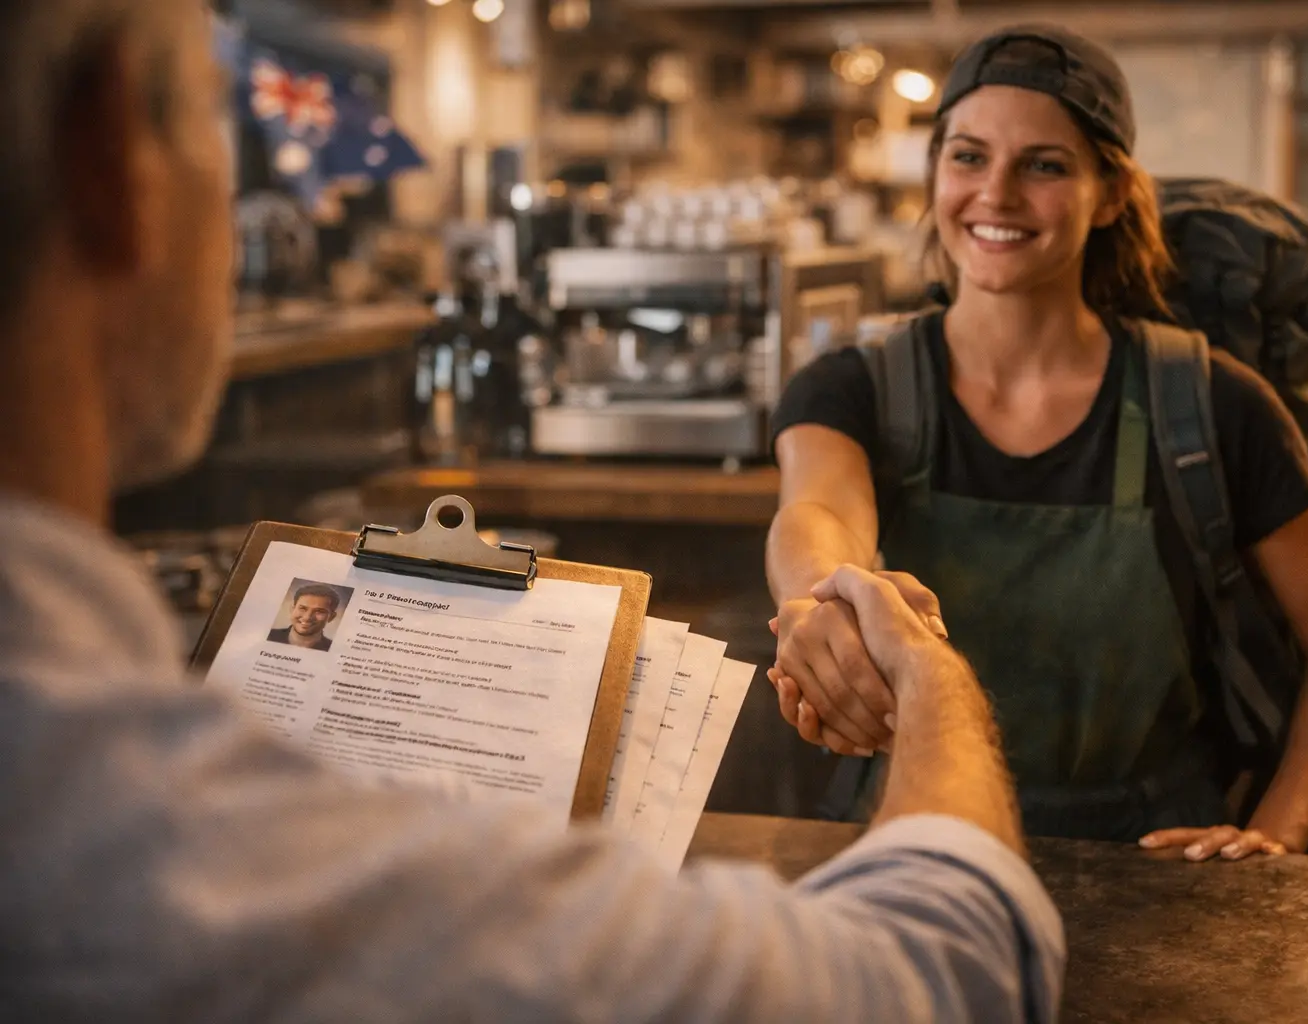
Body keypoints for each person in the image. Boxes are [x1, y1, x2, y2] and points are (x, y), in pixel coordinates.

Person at [0, 1, 1064, 1018]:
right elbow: (936, 973)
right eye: (214, 118)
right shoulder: (132, 830)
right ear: (113, 160)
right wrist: (935, 678)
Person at [767, 25, 1308, 861]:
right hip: (911, 844)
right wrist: (817, 599)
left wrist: (1274, 837)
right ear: (935, 174)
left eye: (1045, 165)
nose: (997, 194)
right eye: (968, 157)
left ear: (1113, 195)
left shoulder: (1209, 403)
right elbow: (816, 512)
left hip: (1152, 871)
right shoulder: (854, 387)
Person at [269, 583, 341, 651]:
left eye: (319, 611)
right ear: (292, 609)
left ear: (331, 617)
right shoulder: (269, 636)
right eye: (303, 608)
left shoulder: (335, 650)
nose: (307, 617)